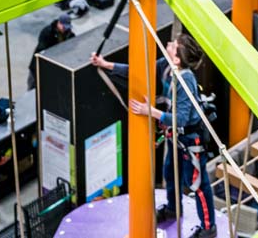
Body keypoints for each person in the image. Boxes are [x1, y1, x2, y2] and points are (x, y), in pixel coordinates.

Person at [92, 34, 217, 237]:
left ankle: (208, 228)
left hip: (188, 138)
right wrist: (106, 65)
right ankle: (173, 208)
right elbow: (138, 72)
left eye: (173, 45)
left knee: (197, 183)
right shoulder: (166, 66)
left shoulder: (185, 80)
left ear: (177, 58)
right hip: (176, 136)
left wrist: (149, 111)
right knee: (170, 173)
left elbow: (182, 118)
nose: (168, 43)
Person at [26, 13, 73, 89]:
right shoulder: (47, 32)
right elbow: (41, 50)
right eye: (64, 27)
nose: (65, 29)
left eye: (67, 27)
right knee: (32, 86)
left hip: (54, 67)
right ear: (59, 23)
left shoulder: (69, 34)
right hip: (38, 65)